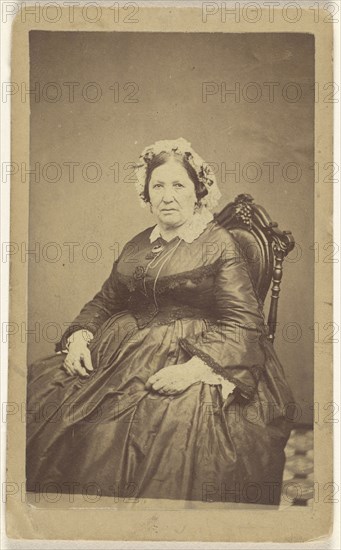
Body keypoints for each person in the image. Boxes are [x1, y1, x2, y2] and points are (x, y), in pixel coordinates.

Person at [26, 138, 295, 505]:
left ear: (197, 192)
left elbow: (246, 322)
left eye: (178, 185)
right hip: (122, 350)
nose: (167, 196)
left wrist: (192, 371)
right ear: (147, 195)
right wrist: (79, 337)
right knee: (44, 391)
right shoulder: (138, 243)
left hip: (199, 352)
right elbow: (106, 299)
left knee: (168, 424)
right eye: (158, 186)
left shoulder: (218, 243)